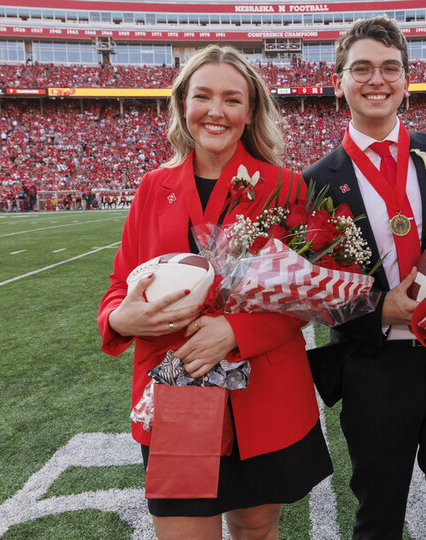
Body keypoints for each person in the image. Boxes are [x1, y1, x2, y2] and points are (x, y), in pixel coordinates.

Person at [98, 44, 331, 540]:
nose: (216, 111)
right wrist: (119, 320)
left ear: (250, 112)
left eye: (232, 99)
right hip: (177, 387)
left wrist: (235, 330)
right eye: (203, 96)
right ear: (184, 104)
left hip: (263, 394)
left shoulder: (287, 187)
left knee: (255, 529)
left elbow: (308, 296)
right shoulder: (152, 187)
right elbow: (120, 286)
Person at [304, 17, 426, 539]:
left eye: (389, 67)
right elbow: (309, 289)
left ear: (407, 80)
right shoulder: (313, 183)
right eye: (360, 68)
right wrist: (379, 307)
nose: (376, 80)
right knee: (378, 518)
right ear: (338, 81)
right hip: (373, 368)